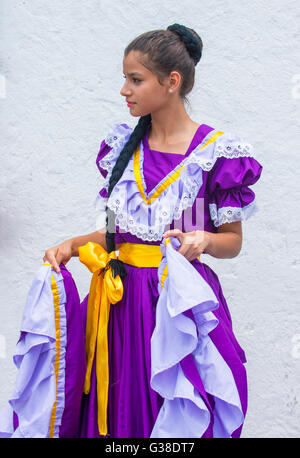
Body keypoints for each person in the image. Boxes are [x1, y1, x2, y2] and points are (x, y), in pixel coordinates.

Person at [43, 24, 263, 438]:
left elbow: (232, 242)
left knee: (173, 410)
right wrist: (71, 245)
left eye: (135, 79)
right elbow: (114, 234)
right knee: (116, 411)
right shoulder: (122, 148)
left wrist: (206, 240)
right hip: (118, 304)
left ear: (171, 83)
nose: (124, 90)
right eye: (125, 78)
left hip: (175, 306)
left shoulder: (213, 153)